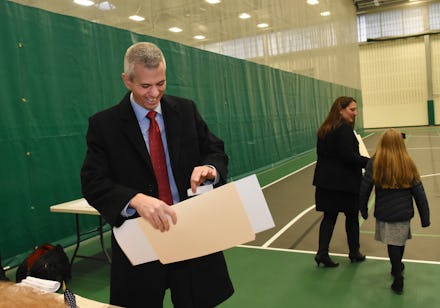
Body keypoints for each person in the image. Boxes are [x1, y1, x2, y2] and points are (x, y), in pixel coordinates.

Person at [80, 42, 234, 307]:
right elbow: (93, 182)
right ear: (127, 80)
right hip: (139, 239)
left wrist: (210, 168)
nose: (154, 93)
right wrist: (134, 200)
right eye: (145, 86)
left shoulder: (185, 110)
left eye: (161, 83)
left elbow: (215, 150)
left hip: (190, 233)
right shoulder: (104, 125)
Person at [359, 128, 430, 294]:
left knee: (392, 243)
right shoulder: (407, 162)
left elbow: (365, 187)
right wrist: (424, 217)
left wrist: (362, 207)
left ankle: (397, 274)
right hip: (404, 212)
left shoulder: (375, 162)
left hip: (385, 212)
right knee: (400, 240)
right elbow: (419, 192)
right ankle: (397, 267)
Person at [312, 96, 369, 267]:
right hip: (344, 184)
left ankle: (322, 253)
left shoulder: (325, 129)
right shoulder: (344, 129)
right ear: (340, 110)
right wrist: (368, 162)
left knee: (329, 218)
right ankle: (354, 252)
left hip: (326, 183)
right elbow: (348, 157)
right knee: (352, 217)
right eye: (352, 109)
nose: (355, 113)